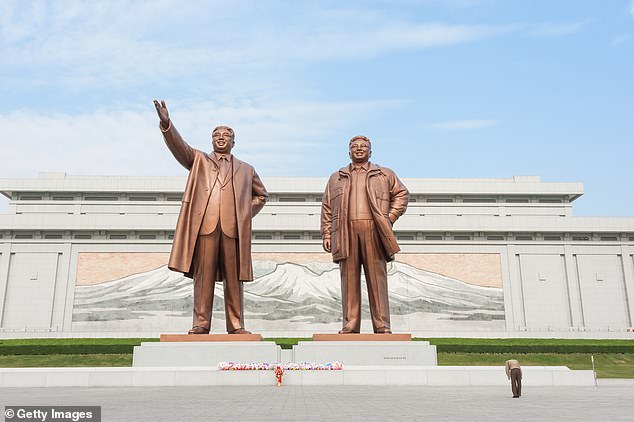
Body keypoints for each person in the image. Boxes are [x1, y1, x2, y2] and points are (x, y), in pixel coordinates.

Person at [153, 100, 268, 335]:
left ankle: (236, 325)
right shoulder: (199, 161)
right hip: (205, 227)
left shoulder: (246, 169)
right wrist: (167, 124)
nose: (221, 137)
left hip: (233, 230)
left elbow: (262, 195)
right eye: (216, 134)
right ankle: (201, 323)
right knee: (203, 278)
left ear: (234, 142)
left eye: (226, 135)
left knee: (234, 280)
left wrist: (244, 215)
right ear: (212, 140)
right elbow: (180, 147)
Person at [320, 135, 409, 334]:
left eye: (364, 146)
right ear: (349, 151)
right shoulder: (337, 177)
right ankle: (350, 324)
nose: (359, 149)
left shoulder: (384, 174)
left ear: (371, 151)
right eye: (355, 146)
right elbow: (327, 207)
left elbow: (402, 194)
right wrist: (327, 234)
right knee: (349, 280)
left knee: (377, 279)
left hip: (374, 231)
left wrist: (389, 217)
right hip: (345, 231)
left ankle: (382, 325)